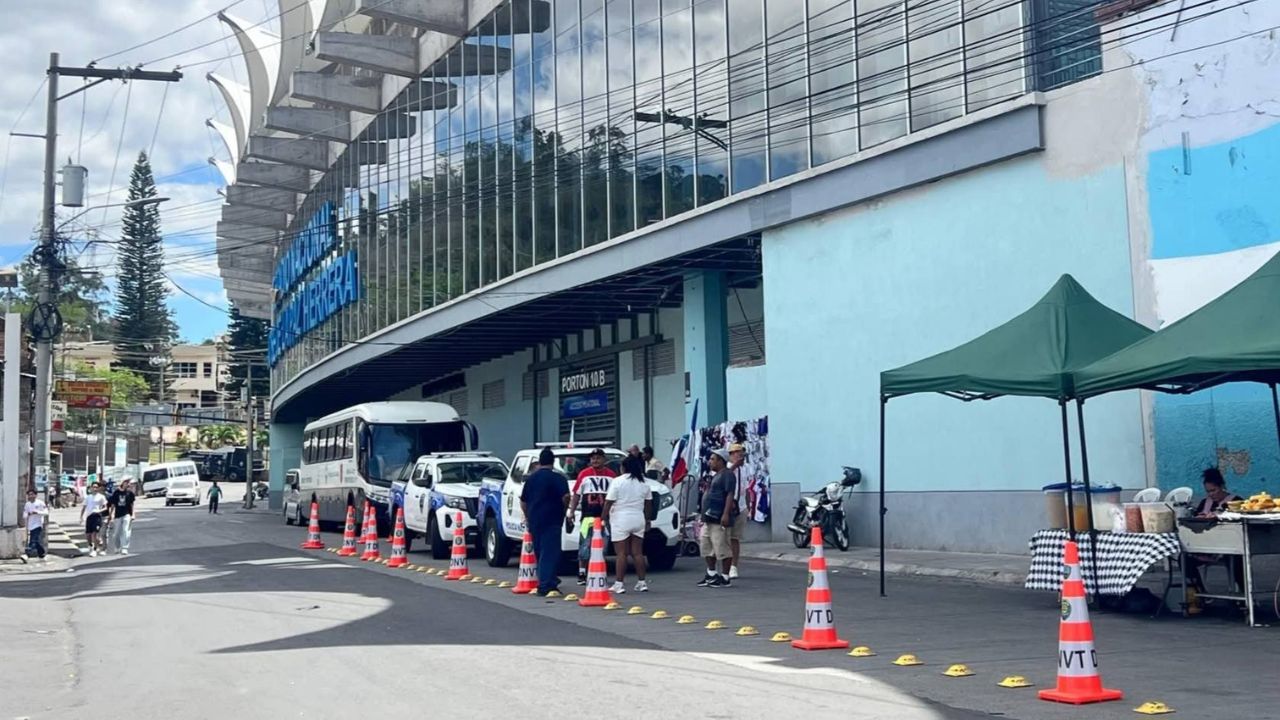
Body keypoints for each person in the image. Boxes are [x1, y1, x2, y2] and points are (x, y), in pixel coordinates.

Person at [1186, 468, 1245, 595]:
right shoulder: (1204, 503)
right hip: (1206, 548)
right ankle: (1199, 592)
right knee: (1184, 559)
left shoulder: (1235, 501)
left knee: (1236, 561)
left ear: (1222, 486)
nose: (1211, 494)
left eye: (1214, 490)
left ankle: (1244, 594)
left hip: (1230, 547)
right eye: (1208, 492)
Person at [520, 448, 571, 596]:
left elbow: (523, 501)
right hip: (552, 518)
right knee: (550, 551)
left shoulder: (531, 479)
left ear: (540, 461)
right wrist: (564, 510)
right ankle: (546, 585)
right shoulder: (558, 478)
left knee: (540, 550)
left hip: (535, 519)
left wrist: (528, 515)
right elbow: (566, 496)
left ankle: (549, 578)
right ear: (553, 461)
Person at [568, 448, 616, 585]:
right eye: (593, 458)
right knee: (585, 544)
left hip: (605, 518)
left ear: (604, 459)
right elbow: (576, 494)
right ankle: (582, 572)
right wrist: (571, 511)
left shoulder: (612, 475)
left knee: (604, 546)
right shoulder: (584, 474)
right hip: (587, 517)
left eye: (598, 458)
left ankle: (600, 572)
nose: (595, 460)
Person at [605, 455, 652, 593]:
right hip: (638, 518)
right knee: (637, 553)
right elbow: (649, 504)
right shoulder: (644, 483)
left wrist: (603, 517)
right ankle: (642, 582)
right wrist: (647, 520)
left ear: (623, 467)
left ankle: (619, 584)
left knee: (621, 553)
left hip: (621, 519)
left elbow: (609, 502)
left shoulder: (618, 481)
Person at [697, 448, 737, 588]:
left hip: (719, 518)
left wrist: (725, 514)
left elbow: (729, 495)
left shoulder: (728, 475)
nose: (710, 462)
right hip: (709, 518)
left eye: (713, 459)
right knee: (706, 545)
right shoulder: (716, 475)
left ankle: (725, 577)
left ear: (721, 460)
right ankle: (711, 574)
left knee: (722, 547)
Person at [727, 443, 748, 579]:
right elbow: (726, 476)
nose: (740, 455)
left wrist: (749, 505)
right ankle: (725, 565)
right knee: (724, 538)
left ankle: (734, 566)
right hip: (727, 507)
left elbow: (746, 488)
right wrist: (735, 466)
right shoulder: (726, 468)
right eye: (737, 453)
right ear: (731, 455)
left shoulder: (745, 469)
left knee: (735, 538)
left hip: (740, 506)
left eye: (741, 453)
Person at [107, 479, 137, 556]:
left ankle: (124, 548)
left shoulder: (130, 493)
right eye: (126, 482)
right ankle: (117, 547)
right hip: (117, 515)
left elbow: (132, 504)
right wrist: (111, 515)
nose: (128, 484)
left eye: (129, 483)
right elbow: (113, 504)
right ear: (122, 483)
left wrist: (133, 514)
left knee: (126, 531)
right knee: (116, 533)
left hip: (127, 514)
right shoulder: (116, 493)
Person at [81, 482, 108, 557]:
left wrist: (99, 510)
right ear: (91, 488)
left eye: (96, 487)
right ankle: (90, 545)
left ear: (98, 488)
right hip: (89, 517)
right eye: (93, 487)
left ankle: (94, 549)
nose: (95, 488)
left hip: (97, 516)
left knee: (94, 534)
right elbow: (84, 507)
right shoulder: (88, 497)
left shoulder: (101, 497)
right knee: (88, 535)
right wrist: (81, 517)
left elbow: (105, 507)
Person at [22, 489, 48, 560]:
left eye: (32, 494)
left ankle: (26, 554)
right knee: (35, 541)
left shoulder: (40, 503)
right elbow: (24, 515)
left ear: (35, 495)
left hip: (38, 524)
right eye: (29, 495)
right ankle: (41, 552)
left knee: (33, 540)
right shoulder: (27, 504)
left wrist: (37, 512)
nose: (31, 496)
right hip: (30, 525)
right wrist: (28, 514)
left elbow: (46, 512)